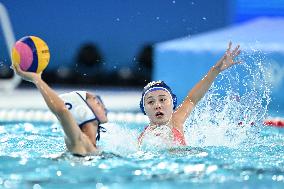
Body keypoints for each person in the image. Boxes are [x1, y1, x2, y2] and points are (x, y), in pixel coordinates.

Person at [138, 42, 241, 147]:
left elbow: (192, 99)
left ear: (173, 103)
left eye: (162, 99)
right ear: (144, 109)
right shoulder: (145, 140)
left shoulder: (176, 120)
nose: (157, 105)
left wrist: (215, 70)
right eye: (151, 102)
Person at [12, 64, 108, 156]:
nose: (104, 107)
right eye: (97, 103)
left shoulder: (94, 146)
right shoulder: (78, 141)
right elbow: (62, 111)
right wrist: (36, 79)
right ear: (82, 111)